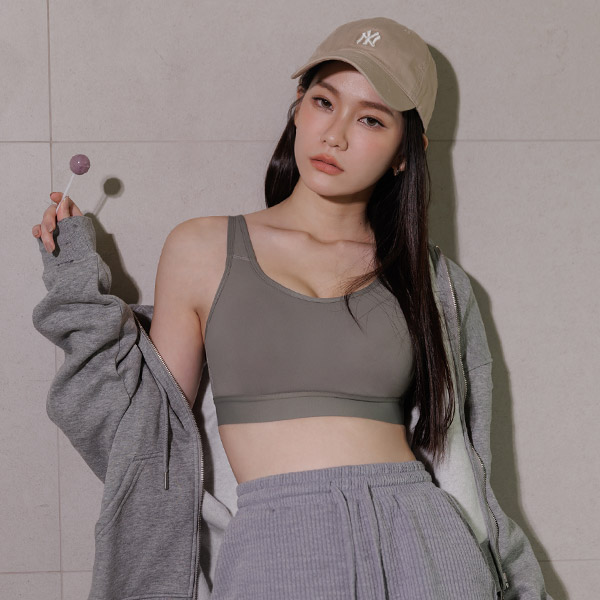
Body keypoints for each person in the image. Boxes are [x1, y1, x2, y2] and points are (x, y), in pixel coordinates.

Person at [32, 17, 552, 600]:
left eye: (371, 119)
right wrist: (74, 282)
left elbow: (464, 454)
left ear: (406, 153)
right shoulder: (202, 247)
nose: (335, 135)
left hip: (424, 546)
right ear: (298, 107)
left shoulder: (431, 280)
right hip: (275, 547)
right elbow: (151, 433)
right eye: (324, 102)